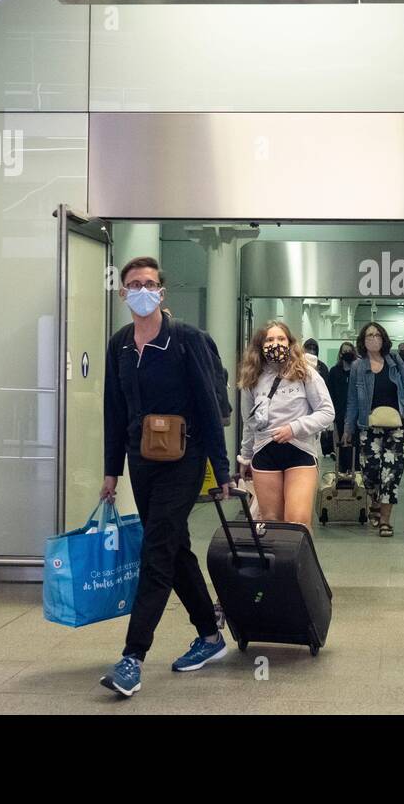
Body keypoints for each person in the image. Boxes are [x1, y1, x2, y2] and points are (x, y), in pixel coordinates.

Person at [99, 256, 235, 698]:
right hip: (142, 460)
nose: (142, 290)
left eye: (150, 284)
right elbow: (114, 412)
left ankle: (132, 658)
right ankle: (210, 637)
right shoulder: (119, 345)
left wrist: (221, 468)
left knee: (156, 550)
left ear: (162, 291)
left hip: (185, 457)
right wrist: (110, 471)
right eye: (134, 284)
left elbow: (210, 410)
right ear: (123, 293)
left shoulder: (185, 340)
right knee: (174, 549)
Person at [236, 321, 334, 532]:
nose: (276, 344)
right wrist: (244, 457)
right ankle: (276, 565)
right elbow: (249, 422)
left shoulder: (306, 373)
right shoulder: (252, 378)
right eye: (269, 340)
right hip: (264, 452)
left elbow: (327, 412)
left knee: (297, 521)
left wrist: (294, 428)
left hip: (300, 451)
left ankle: (299, 564)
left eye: (281, 339)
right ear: (260, 345)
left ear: (290, 343)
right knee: (271, 522)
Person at [343, 322, 404, 537]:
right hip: (369, 427)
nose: (373, 338)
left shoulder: (394, 361)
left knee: (391, 475)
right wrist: (347, 429)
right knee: (370, 472)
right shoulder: (359, 367)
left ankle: (385, 520)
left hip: (397, 426)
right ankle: (374, 501)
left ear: (383, 338)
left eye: (377, 335)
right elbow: (351, 400)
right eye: (369, 335)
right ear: (363, 340)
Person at [327, 340, 358, 473]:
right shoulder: (334, 371)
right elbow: (330, 393)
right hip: (339, 413)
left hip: (355, 414)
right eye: (344, 351)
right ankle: (342, 469)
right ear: (340, 354)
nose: (347, 354)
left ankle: (355, 470)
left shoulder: (358, 371)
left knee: (355, 443)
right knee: (341, 443)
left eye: (349, 351)